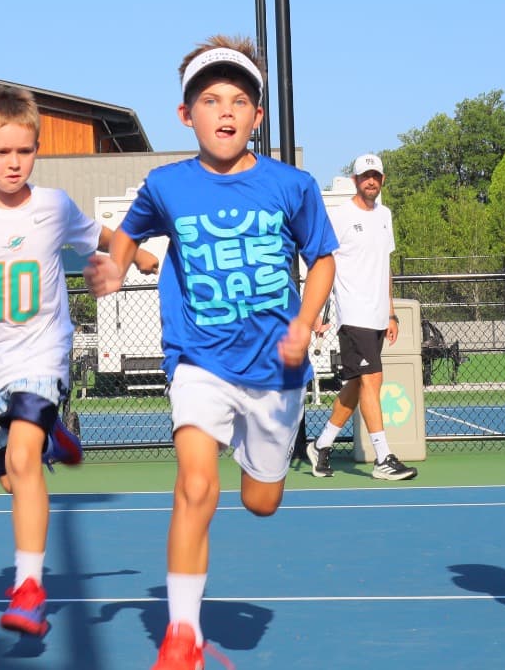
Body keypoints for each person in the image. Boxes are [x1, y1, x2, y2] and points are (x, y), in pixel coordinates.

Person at [85, 35, 337, 670]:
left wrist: (305, 320)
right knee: (195, 485)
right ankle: (181, 635)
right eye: (209, 99)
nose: (225, 110)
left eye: (239, 100)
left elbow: (323, 259)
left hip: (276, 370)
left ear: (257, 116)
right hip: (198, 360)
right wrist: (116, 266)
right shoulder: (167, 185)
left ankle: (268, 464)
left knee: (260, 501)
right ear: (185, 114)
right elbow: (128, 234)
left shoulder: (293, 186)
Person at [0, 83, 157, 638]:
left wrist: (138, 255)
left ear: (37, 149)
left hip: (42, 355)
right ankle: (52, 439)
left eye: (25, 151)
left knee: (22, 461)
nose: (14, 162)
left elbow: (99, 234)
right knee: (13, 480)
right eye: (2, 152)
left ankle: (28, 589)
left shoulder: (53, 206)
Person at [302, 153, 417, 481]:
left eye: (375, 176)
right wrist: (314, 312)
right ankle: (383, 458)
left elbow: (385, 266)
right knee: (372, 380)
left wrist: (391, 314)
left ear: (382, 180)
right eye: (365, 176)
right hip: (353, 315)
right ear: (355, 180)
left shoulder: (385, 215)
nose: (371, 181)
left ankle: (321, 445)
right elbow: (321, 263)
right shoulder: (339, 216)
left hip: (378, 316)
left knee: (356, 385)